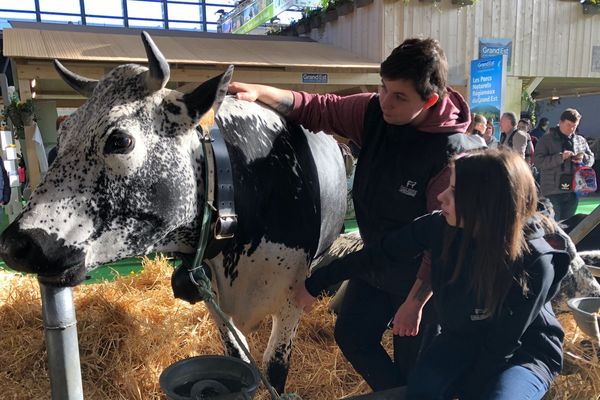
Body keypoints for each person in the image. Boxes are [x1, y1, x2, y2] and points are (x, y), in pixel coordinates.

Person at [229, 37, 472, 391]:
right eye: (383, 88)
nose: (385, 101)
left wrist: (415, 303)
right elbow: (316, 107)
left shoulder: (449, 155)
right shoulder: (375, 112)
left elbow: (444, 243)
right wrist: (261, 92)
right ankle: (394, 395)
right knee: (352, 332)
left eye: (399, 96)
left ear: (431, 100)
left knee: (413, 361)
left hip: (425, 273)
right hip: (378, 257)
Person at [295, 149, 571, 400]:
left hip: (522, 352)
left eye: (453, 191)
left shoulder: (535, 260)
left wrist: (467, 389)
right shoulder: (440, 227)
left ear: (484, 202)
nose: (441, 197)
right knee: (423, 391)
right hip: (461, 339)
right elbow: (378, 254)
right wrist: (317, 282)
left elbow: (503, 344)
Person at [536, 108, 595, 221]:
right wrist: (560, 157)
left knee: (569, 225)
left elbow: (591, 158)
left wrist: (583, 159)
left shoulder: (580, 140)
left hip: (573, 191)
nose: (571, 129)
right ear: (560, 122)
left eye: (574, 126)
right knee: (554, 226)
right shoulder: (546, 140)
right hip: (552, 191)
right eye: (569, 125)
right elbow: (538, 162)